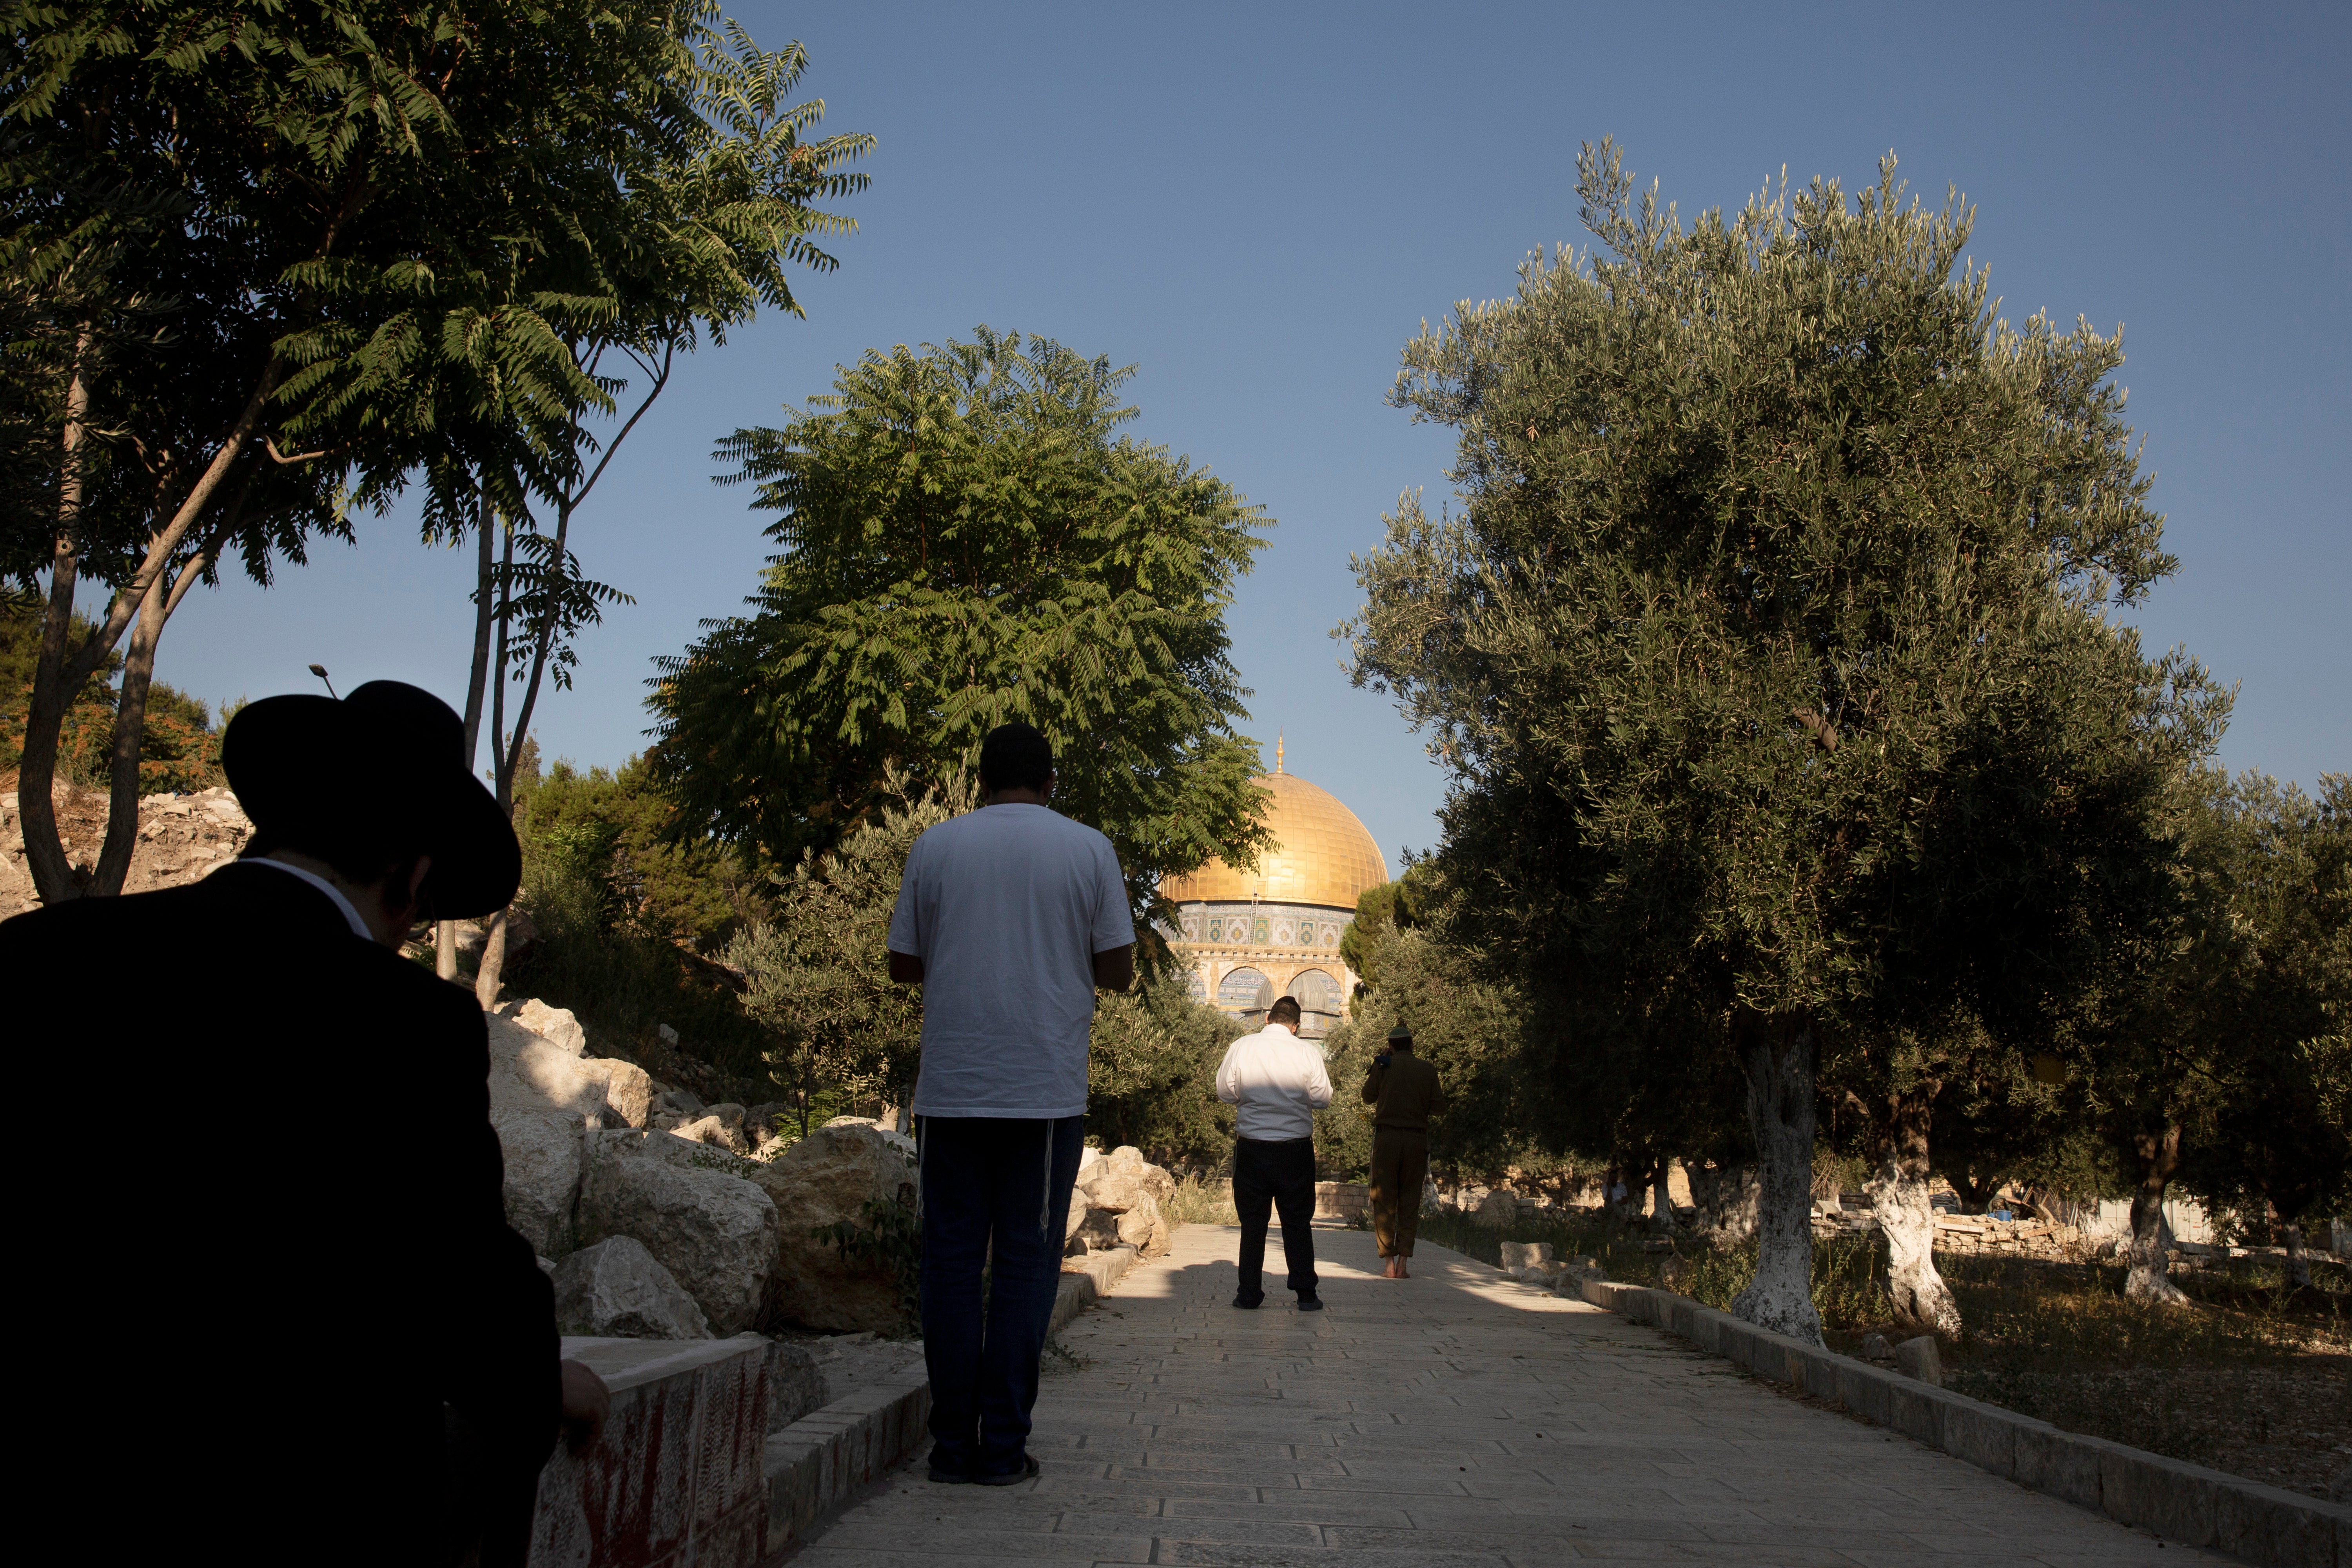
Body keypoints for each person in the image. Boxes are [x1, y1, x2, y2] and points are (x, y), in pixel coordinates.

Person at [0, 680, 607, 1567]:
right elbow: (467, 1286)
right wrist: (542, 1385)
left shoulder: (37, 953)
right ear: (414, 878)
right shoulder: (408, 1024)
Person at [886, 721, 1135, 1485]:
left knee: (952, 1261)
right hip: (1044, 1098)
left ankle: (952, 1444)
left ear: (980, 781)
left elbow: (902, 962)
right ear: (1051, 781)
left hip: (952, 1092)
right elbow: (1119, 969)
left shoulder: (935, 845)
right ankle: (1003, 1449)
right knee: (1027, 1263)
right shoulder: (1088, 847)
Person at [1215, 993, 1334, 1310]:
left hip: (1252, 1149)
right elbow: (1322, 1099)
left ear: (1267, 1019)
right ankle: (1306, 1295)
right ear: (1296, 1026)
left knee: (1253, 1223)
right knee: (1297, 1222)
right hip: (1295, 1151)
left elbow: (1225, 1091)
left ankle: (1249, 1294)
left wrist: (1250, 1100)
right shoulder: (1308, 1052)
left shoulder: (1242, 1046)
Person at [1363, 1022, 1446, 1279]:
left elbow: (1367, 1097)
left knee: (1384, 1200)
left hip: (1387, 1141)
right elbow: (1439, 1108)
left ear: (1391, 1046)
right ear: (1412, 1045)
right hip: (1416, 1142)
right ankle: (1403, 1265)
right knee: (1410, 1200)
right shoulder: (1427, 1069)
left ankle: (1388, 1264)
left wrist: (1380, 1064)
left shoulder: (1384, 1066)